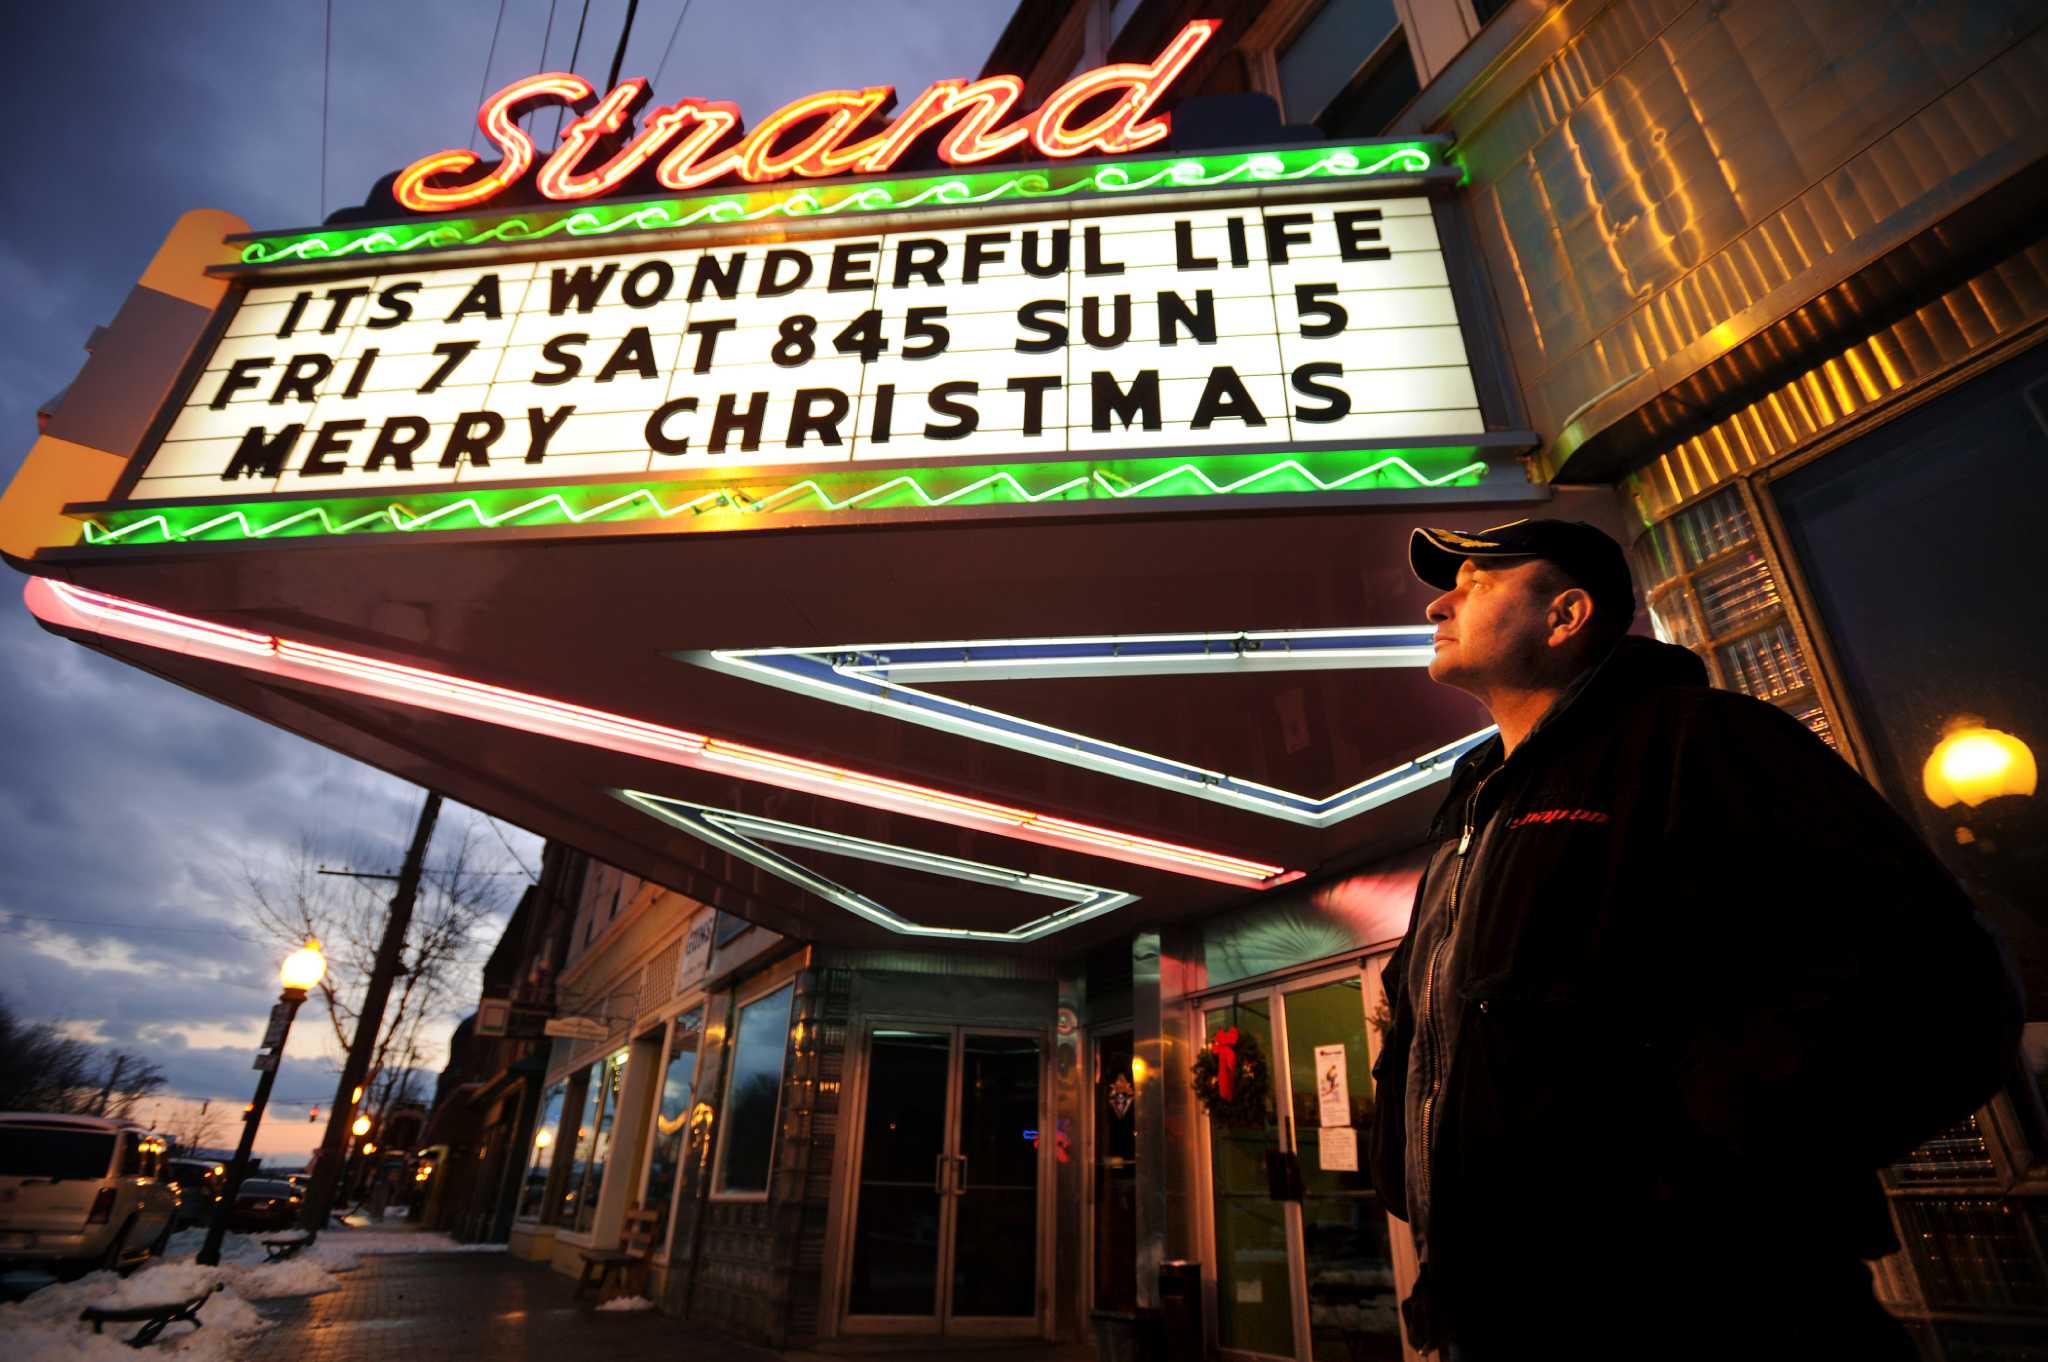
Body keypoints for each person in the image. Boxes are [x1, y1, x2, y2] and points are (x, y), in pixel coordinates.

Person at [1368, 518, 2020, 1360]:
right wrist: (1406, 1167)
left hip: (1714, 1315)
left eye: (1479, 582)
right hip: (1497, 1316)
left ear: (1565, 616)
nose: (1438, 603)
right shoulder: (1473, 813)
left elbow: (1944, 978)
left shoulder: (1700, 740)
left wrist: (1718, 1170)